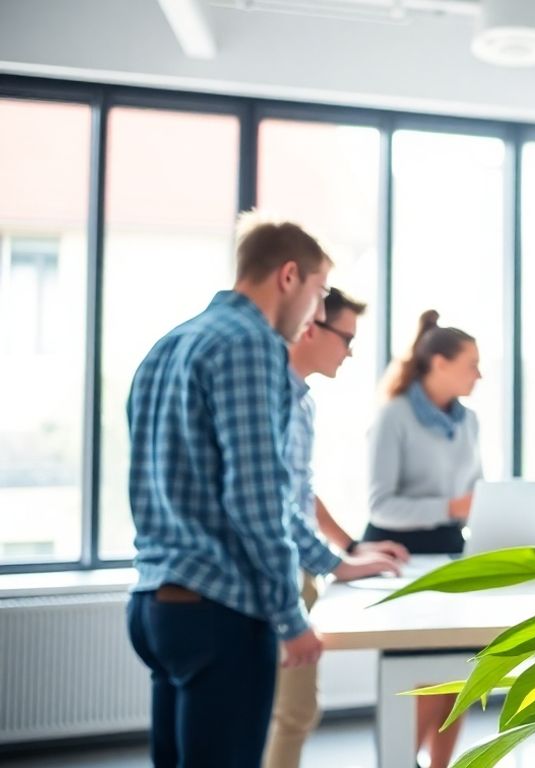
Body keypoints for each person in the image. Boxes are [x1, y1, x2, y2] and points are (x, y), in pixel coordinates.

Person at [125, 214, 394, 768]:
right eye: (319, 291)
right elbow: (257, 499)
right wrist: (291, 619)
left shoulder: (169, 344)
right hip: (220, 611)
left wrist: (334, 563)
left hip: (156, 606)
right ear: (289, 276)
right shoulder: (251, 344)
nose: (317, 312)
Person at [265, 288, 409, 768]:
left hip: (299, 567)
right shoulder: (271, 396)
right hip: (276, 570)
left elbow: (301, 492)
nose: (349, 352)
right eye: (346, 338)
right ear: (311, 327)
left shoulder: (303, 403)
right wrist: (337, 564)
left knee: (295, 711)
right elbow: (275, 500)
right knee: (290, 712)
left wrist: (350, 547)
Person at [367, 309, 484, 766]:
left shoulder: (469, 421)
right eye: (471, 364)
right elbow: (381, 505)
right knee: (418, 673)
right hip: (400, 555)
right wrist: (450, 507)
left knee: (460, 673)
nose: (479, 375)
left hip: (451, 551)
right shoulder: (393, 416)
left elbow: (474, 492)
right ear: (439, 363)